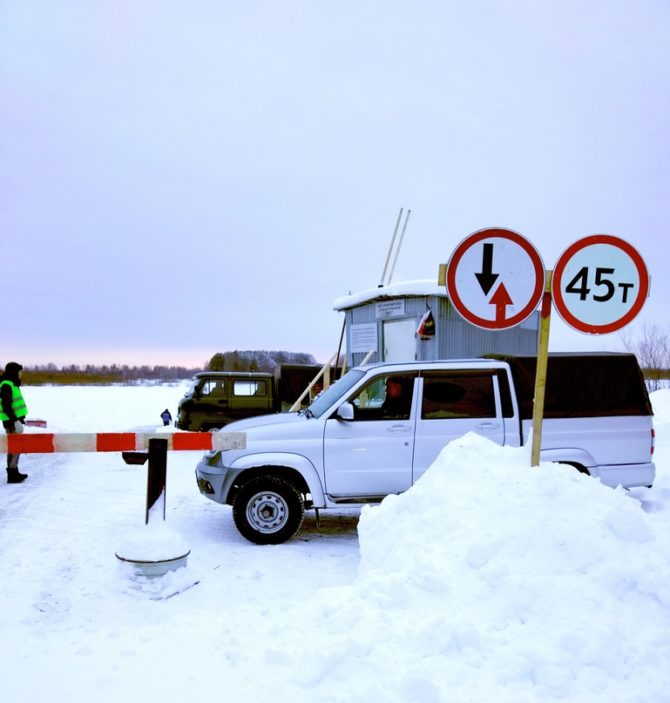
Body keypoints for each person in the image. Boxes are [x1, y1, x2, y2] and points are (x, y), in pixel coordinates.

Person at [1, 362, 28, 483]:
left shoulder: (11, 383)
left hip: (14, 420)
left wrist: (20, 418)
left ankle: (14, 471)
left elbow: (13, 404)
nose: (20, 374)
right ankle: (12, 474)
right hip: (11, 422)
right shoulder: (6, 384)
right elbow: (6, 406)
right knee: (14, 447)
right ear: (12, 372)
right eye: (19, 372)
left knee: (15, 447)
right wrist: (15, 420)